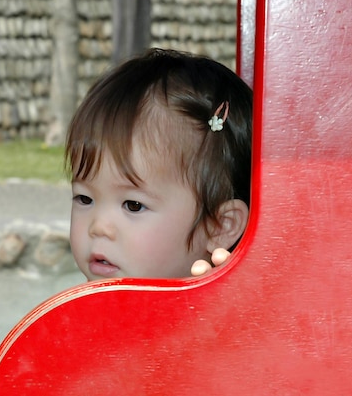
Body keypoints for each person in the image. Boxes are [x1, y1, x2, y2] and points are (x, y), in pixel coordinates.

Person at [65, 48, 252, 281]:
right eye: (84, 199)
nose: (99, 227)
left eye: (133, 205)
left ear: (220, 226)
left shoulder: (233, 317)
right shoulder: (82, 312)